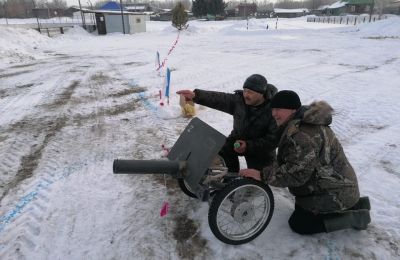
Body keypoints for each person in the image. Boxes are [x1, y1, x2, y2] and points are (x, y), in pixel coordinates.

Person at [239, 90, 371, 234]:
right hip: (339, 184)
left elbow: (297, 174)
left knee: (299, 224)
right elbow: (294, 161)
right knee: (301, 206)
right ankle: (356, 202)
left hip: (333, 190)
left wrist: (262, 175)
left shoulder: (301, 135)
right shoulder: (303, 123)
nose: (273, 114)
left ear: (292, 110)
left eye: (278, 109)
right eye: (272, 109)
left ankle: (357, 217)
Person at [176, 74, 278, 172]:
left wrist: (248, 145)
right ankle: (230, 177)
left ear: (261, 93)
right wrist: (196, 95)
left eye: (250, 92)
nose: (246, 95)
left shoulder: (274, 110)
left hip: (261, 150)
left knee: (259, 179)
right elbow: (219, 98)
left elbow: (273, 139)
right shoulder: (239, 101)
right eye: (245, 90)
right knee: (224, 152)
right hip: (237, 140)